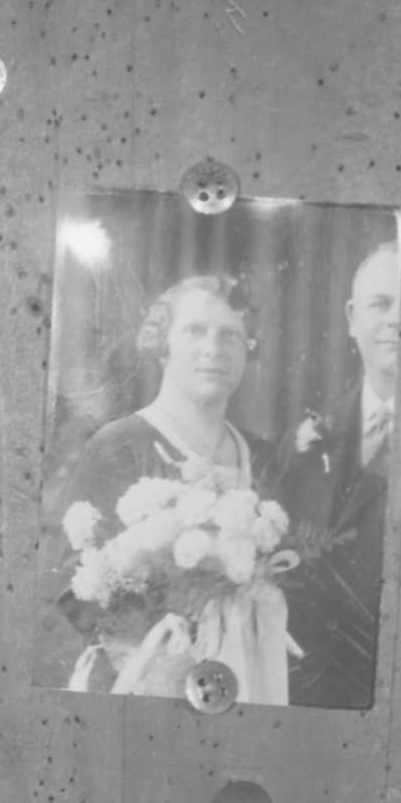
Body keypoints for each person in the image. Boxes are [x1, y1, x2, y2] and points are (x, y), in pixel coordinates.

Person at [46, 273, 284, 693]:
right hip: (142, 677)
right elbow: (73, 589)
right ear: (162, 344)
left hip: (248, 671)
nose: (213, 348)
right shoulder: (119, 444)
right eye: (195, 331)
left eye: (230, 335)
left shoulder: (261, 455)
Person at [274, 238, 401, 709]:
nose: (396, 320)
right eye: (380, 305)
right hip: (308, 692)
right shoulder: (307, 440)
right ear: (352, 317)